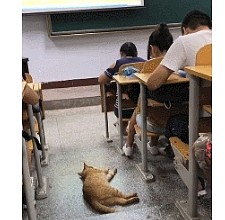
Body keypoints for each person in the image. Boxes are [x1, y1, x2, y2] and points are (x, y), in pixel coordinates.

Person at [122, 23, 174, 157]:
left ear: (152, 48)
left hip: (156, 125)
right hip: (179, 123)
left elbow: (140, 109)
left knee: (140, 107)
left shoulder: (151, 70)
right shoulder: (180, 65)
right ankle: (152, 144)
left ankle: (128, 145)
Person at [98, 42, 146, 119]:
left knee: (111, 84)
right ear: (136, 53)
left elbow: (101, 80)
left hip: (122, 111)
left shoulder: (118, 63)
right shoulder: (145, 63)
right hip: (144, 110)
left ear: (121, 53)